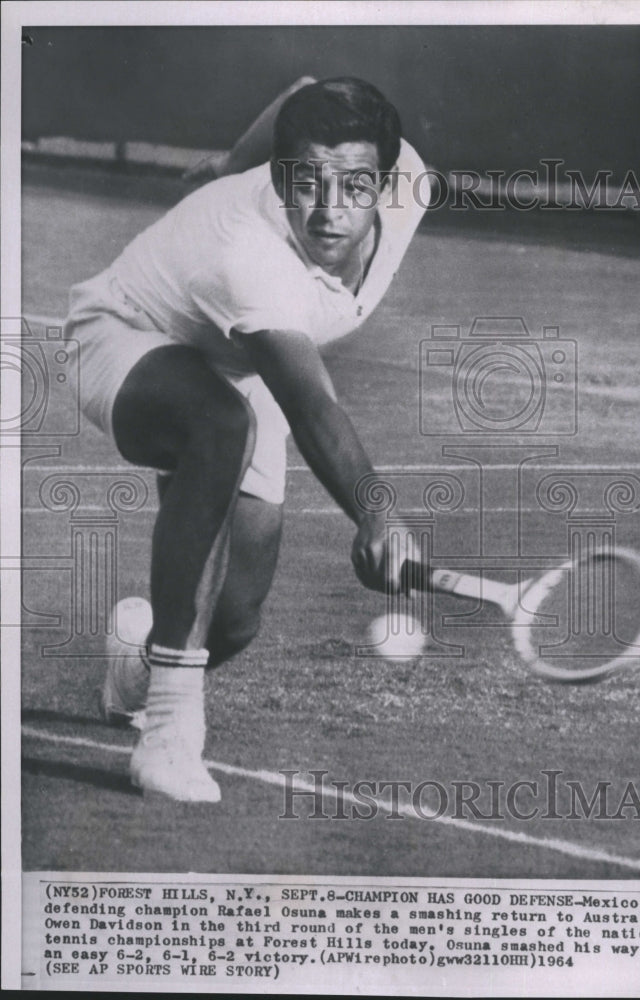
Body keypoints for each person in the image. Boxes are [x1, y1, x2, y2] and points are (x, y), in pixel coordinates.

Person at [63, 77, 428, 802]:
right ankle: (167, 735)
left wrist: (228, 160)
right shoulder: (246, 251)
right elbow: (311, 403)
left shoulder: (412, 181)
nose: (326, 209)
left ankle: (136, 666)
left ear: (385, 183)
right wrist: (377, 513)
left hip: (238, 358)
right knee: (219, 425)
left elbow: (307, 87)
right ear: (282, 174)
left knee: (230, 623)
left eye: (354, 186)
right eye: (304, 182)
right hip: (128, 334)